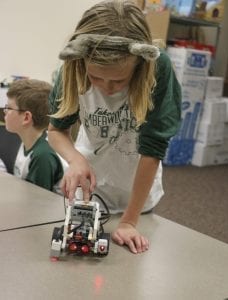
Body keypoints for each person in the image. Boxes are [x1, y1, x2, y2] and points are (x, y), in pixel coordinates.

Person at [48, 0, 181, 254]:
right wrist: (75, 159)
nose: (107, 88)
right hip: (89, 190)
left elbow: (152, 149)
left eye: (120, 80)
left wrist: (130, 221)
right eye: (95, 77)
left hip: (138, 195)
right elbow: (56, 131)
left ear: (139, 65)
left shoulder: (157, 67)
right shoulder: (73, 66)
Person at [4, 79, 64, 193]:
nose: (5, 112)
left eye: (9, 108)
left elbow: (38, 203)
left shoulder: (43, 155)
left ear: (26, 117)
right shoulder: (27, 142)